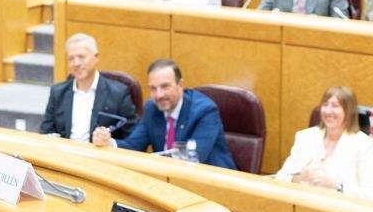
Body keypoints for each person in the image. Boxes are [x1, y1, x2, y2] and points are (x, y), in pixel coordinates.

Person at [91, 59, 236, 169]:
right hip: (169, 179)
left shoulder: (205, 110)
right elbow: (134, 145)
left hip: (213, 181)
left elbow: (194, 157)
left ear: (181, 85)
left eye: (165, 87)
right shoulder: (152, 108)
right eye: (153, 89)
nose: (158, 95)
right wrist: (109, 142)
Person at [275, 86, 373, 201]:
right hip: (303, 207)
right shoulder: (305, 137)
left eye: (335, 106)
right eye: (325, 105)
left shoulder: (363, 145)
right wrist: (298, 177)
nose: (328, 111)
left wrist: (336, 185)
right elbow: (279, 178)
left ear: (348, 111)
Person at [40, 33, 138, 142]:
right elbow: (45, 131)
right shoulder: (57, 92)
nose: (76, 63)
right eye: (71, 59)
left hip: (100, 156)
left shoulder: (118, 94)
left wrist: (109, 142)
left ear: (96, 57)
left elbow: (133, 139)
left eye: (81, 57)